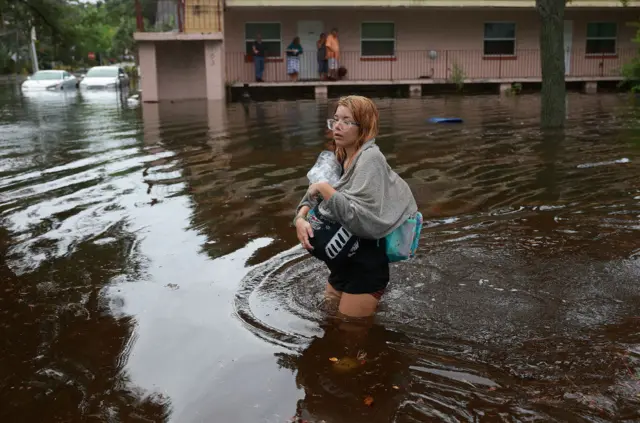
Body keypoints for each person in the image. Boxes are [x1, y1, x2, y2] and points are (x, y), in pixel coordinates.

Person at [293, 96, 417, 318]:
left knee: (350, 333)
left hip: (365, 266)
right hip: (341, 261)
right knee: (329, 320)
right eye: (335, 120)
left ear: (364, 127)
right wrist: (300, 219)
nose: (337, 126)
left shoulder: (371, 159)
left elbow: (360, 220)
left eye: (347, 121)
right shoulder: (339, 155)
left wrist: (324, 188)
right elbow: (310, 195)